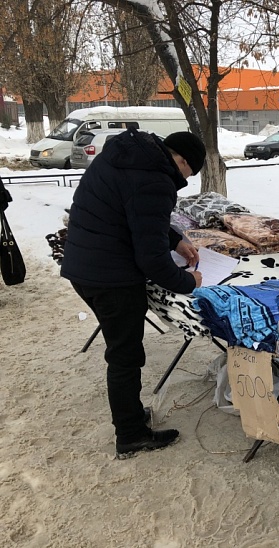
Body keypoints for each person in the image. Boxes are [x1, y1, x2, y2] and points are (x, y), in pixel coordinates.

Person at [61, 129, 206, 459]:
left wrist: (174, 239)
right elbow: (152, 260)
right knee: (125, 356)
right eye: (189, 173)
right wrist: (191, 282)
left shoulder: (127, 156)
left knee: (121, 350)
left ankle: (129, 414)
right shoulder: (156, 179)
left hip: (84, 266)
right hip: (111, 278)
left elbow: (132, 212)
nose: (184, 180)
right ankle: (130, 434)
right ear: (182, 161)